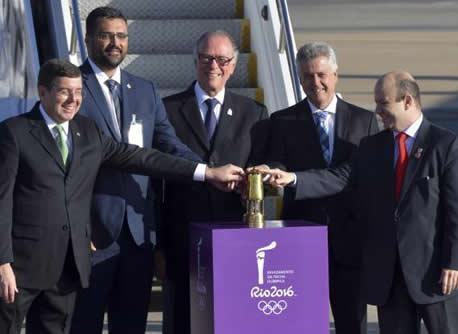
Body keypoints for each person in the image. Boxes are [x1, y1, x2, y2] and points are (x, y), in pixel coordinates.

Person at [0, 59, 243, 334]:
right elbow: (2, 199)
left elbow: (141, 157)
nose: (73, 99)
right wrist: (2, 261)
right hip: (20, 267)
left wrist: (207, 173)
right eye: (64, 91)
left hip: (67, 269)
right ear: (42, 92)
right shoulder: (14, 132)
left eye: (78, 92)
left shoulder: (88, 132)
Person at [268, 71, 458, 334]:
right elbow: (338, 178)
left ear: (407, 101)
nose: (377, 110)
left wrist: (455, 262)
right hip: (390, 279)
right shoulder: (372, 147)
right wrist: (292, 179)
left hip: (439, 274)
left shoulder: (446, 145)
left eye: (383, 103)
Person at [69, 7, 201, 334]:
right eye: (106, 35)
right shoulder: (72, 90)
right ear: (88, 40)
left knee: (130, 325)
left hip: (138, 233)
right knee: (83, 324)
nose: (115, 43)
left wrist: (207, 170)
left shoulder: (145, 90)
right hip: (91, 235)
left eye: (122, 36)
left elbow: (169, 145)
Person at [261, 42, 378, 334]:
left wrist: (296, 179)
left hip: (350, 240)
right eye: (308, 77)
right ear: (299, 79)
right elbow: (278, 163)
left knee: (351, 322)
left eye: (322, 74)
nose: (316, 83)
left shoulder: (364, 120)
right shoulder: (283, 120)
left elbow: (356, 175)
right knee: (303, 322)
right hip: (303, 237)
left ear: (336, 74)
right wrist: (271, 171)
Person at [160, 30, 269, 333]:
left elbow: (266, 172)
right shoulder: (166, 110)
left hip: (236, 239)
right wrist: (159, 246)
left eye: (222, 59)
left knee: (233, 321)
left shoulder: (255, 113)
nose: (214, 65)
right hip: (182, 239)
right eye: (207, 58)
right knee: (182, 321)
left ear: (233, 66)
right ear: (195, 61)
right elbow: (157, 183)